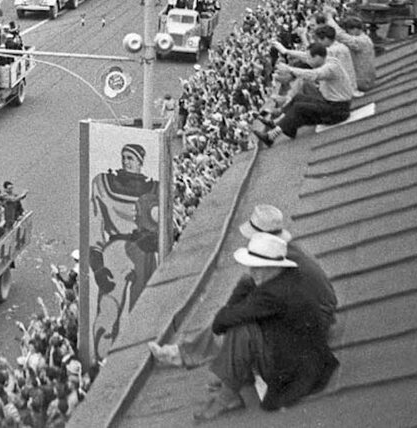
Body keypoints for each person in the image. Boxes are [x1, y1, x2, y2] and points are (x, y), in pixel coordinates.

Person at [149, 204, 338, 369]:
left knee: (242, 325)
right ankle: (187, 352)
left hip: (310, 327)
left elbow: (245, 310)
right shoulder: (288, 251)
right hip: (320, 314)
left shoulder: (281, 269)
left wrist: (228, 315)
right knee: (245, 289)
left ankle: (191, 355)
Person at [189, 232, 339, 420]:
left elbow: (222, 320)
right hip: (307, 357)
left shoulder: (271, 294)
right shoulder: (289, 278)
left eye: (257, 268)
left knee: (240, 330)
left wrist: (239, 295)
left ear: (270, 267)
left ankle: (227, 396)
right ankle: (231, 383)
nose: (253, 273)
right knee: (244, 324)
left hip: (292, 370)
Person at [89, 141, 159, 359]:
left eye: (131, 158)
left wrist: (153, 240)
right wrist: (98, 266)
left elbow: (161, 224)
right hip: (116, 250)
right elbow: (95, 224)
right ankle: (102, 359)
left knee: (142, 310)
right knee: (108, 309)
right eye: (124, 157)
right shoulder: (102, 184)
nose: (126, 162)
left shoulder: (155, 189)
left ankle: (135, 359)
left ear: (140, 162)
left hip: (143, 250)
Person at [254, 42, 353, 146]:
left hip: (339, 110)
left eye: (310, 58)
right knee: (298, 98)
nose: (308, 61)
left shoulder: (330, 67)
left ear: (318, 57)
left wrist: (290, 69)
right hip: (332, 103)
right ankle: (281, 123)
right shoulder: (326, 58)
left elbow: (314, 75)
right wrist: (286, 51)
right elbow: (304, 56)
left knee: (299, 108)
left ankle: (270, 136)